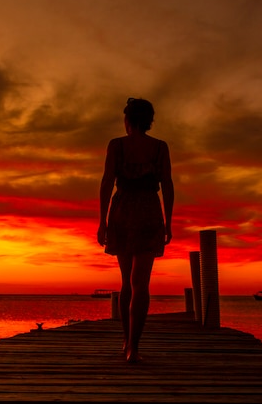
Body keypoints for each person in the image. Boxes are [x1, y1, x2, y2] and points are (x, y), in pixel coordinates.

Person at [97, 97, 174, 363]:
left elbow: (107, 183)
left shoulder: (117, 145)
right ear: (149, 121)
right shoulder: (159, 148)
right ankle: (134, 348)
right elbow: (168, 186)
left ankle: (126, 341)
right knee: (141, 283)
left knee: (126, 281)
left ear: (128, 120)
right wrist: (169, 220)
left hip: (123, 210)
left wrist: (102, 220)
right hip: (149, 211)